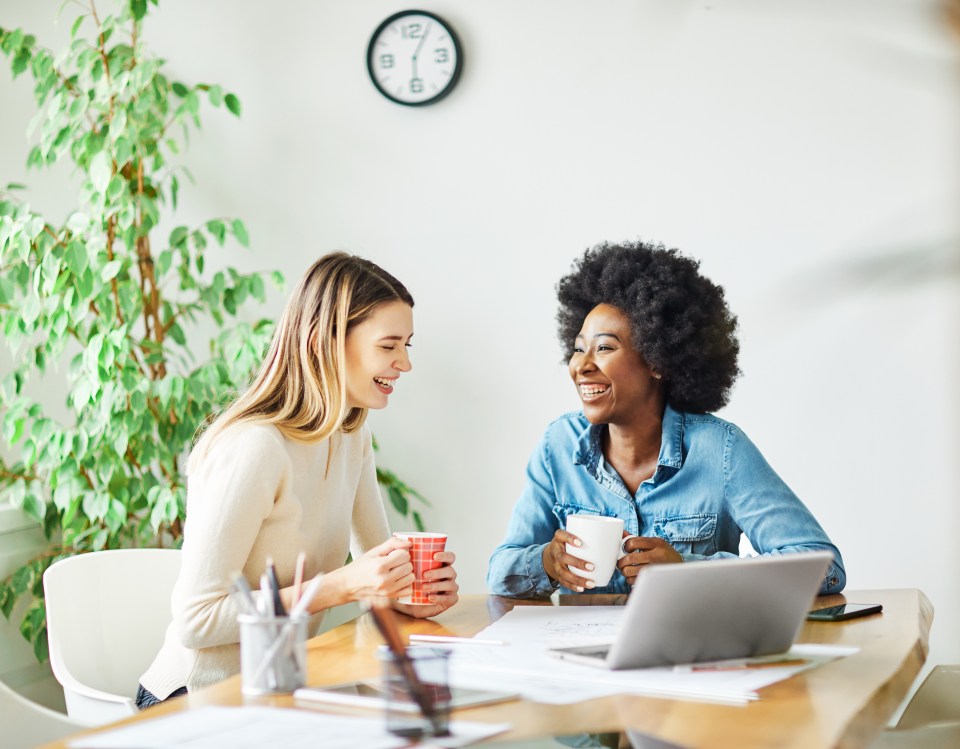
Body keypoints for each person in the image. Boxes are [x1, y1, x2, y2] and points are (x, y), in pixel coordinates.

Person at [138, 252, 458, 707]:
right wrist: (341, 586)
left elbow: (374, 567)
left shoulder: (351, 433)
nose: (404, 363)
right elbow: (197, 620)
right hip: (198, 698)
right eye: (388, 346)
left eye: (407, 345)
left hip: (277, 689)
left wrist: (408, 592)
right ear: (322, 341)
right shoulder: (254, 447)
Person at [486, 240, 844, 598]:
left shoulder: (720, 451)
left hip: (689, 649)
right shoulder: (559, 445)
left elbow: (824, 568)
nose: (581, 365)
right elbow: (500, 574)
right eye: (579, 348)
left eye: (605, 347)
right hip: (579, 648)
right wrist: (548, 563)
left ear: (657, 360)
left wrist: (686, 570)